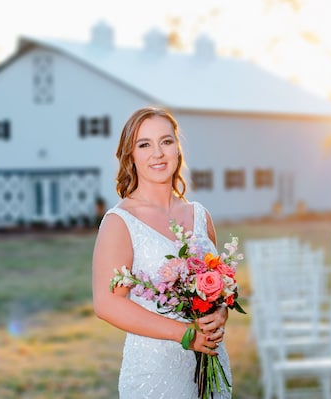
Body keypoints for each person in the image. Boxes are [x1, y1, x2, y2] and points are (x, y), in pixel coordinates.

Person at [92, 106, 231, 398]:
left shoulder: (200, 216)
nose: (158, 153)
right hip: (154, 374)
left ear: (177, 149)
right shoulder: (120, 222)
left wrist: (220, 314)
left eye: (166, 141)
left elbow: (217, 291)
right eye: (145, 144)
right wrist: (185, 334)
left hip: (211, 365)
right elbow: (106, 304)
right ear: (130, 156)